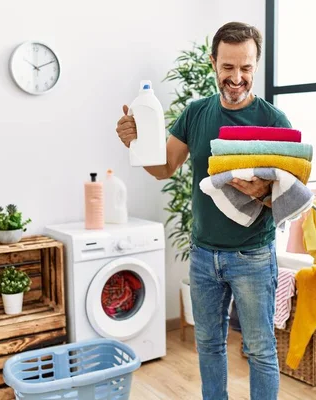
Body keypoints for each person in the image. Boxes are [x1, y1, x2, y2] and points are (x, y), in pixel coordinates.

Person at [116, 21, 292, 400]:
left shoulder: (274, 122)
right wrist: (136, 142)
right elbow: (163, 168)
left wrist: (263, 193)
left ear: (256, 66)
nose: (237, 77)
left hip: (252, 257)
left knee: (260, 351)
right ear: (213, 63)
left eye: (245, 68)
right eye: (228, 67)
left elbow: (289, 201)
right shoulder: (196, 114)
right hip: (203, 255)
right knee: (209, 347)